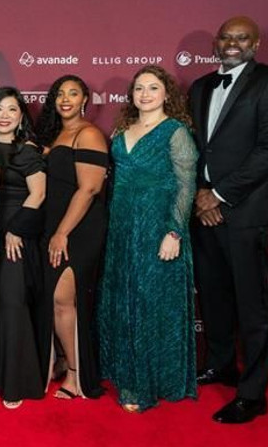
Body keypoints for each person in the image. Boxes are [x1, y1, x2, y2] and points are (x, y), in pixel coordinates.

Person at [97, 65, 198, 413]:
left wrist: (174, 232)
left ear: (166, 93)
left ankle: (146, 384)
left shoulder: (176, 131)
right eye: (139, 88)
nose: (144, 94)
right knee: (122, 299)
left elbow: (186, 186)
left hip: (158, 228)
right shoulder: (123, 129)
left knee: (150, 303)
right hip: (122, 226)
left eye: (152, 88)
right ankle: (125, 373)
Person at [189, 16, 268, 424]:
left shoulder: (266, 83)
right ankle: (221, 365)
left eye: (241, 38)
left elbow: (265, 151)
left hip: (246, 213)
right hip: (203, 214)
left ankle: (253, 393)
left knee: (253, 307)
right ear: (216, 42)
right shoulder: (201, 87)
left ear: (254, 43)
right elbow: (196, 149)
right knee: (214, 297)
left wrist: (218, 194)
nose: (232, 43)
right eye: (226, 37)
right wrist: (201, 198)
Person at [36, 75, 108, 400]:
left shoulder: (88, 133)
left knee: (64, 299)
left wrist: (62, 232)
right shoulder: (56, 134)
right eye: (60, 93)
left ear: (85, 99)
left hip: (78, 228)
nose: (66, 99)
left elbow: (90, 188)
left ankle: (78, 376)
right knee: (56, 301)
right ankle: (63, 361)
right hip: (54, 226)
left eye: (73, 93)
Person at [0, 87, 48, 409]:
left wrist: (15, 231)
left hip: (15, 237)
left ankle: (16, 382)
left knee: (11, 304)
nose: (4, 116)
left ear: (21, 116)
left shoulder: (27, 151)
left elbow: (38, 194)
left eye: (12, 110)